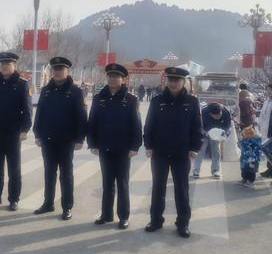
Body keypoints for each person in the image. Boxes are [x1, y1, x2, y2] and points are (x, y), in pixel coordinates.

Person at [143, 66, 203, 238]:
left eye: (177, 80)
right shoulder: (157, 101)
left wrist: (194, 148)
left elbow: (197, 127)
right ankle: (155, 220)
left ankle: (183, 223)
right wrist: (148, 146)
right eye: (171, 79)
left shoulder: (192, 102)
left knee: (182, 189)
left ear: (184, 82)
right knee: (158, 188)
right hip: (160, 152)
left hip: (182, 153)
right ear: (166, 81)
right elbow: (149, 126)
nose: (173, 83)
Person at [87, 63, 142, 228]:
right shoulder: (99, 98)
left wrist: (135, 146)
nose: (113, 79)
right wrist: (92, 143)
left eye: (116, 76)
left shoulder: (131, 100)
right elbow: (92, 122)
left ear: (122, 79)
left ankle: (124, 216)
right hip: (104, 147)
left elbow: (136, 125)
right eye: (110, 76)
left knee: (122, 183)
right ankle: (106, 214)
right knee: (107, 183)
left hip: (124, 149)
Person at [33, 57, 87, 220]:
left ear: (67, 71)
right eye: (55, 69)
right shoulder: (46, 90)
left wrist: (80, 139)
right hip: (48, 139)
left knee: (66, 175)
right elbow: (40, 114)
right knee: (49, 173)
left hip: (66, 140)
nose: (57, 72)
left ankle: (67, 207)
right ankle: (48, 203)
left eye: (61, 69)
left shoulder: (76, 91)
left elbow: (81, 117)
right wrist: (37, 134)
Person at [0, 52, 32, 211]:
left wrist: (25, 129)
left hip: (13, 133)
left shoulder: (22, 84)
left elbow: (27, 109)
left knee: (14, 168)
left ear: (14, 66)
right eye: (2, 64)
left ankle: (14, 199)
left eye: (8, 64)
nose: (4, 67)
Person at [192, 102, 232, 179]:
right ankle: (196, 170)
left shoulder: (226, 112)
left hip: (217, 133)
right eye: (215, 116)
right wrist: (205, 133)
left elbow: (228, 125)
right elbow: (198, 125)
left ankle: (215, 170)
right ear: (210, 114)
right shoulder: (203, 112)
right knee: (201, 150)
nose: (218, 117)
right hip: (205, 132)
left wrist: (224, 134)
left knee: (216, 151)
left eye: (219, 115)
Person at [258, 83, 272, 178]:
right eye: (267, 90)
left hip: (270, 131)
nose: (268, 92)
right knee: (267, 151)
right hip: (265, 130)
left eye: (270, 90)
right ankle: (269, 169)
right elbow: (263, 115)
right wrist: (259, 125)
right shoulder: (267, 101)